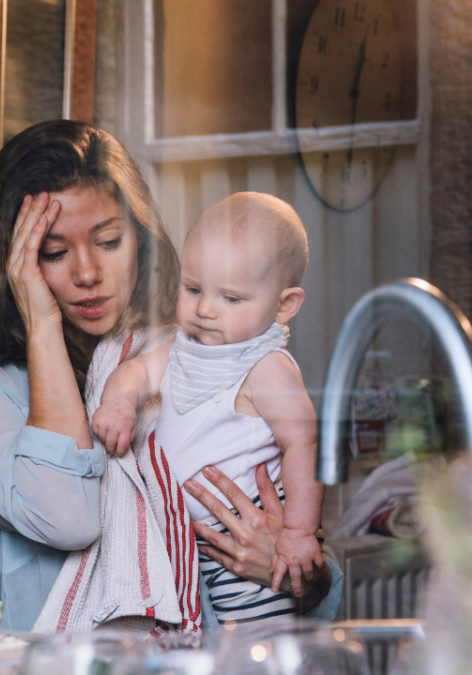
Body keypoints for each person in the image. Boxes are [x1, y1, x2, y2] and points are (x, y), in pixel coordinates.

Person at [0, 120, 341, 634]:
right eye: (52, 253)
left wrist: (297, 569)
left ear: (139, 242)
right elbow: (68, 517)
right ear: (13, 260)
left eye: (109, 241)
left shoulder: (192, 352)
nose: (87, 273)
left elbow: (315, 577)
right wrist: (42, 323)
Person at [92, 193, 324, 625]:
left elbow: (305, 444)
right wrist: (119, 401)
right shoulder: (184, 349)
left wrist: (297, 533)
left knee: (258, 644)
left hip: (246, 536)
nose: (204, 309)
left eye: (232, 299)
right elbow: (138, 373)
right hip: (191, 543)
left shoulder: (266, 367)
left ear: (284, 305)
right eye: (193, 289)